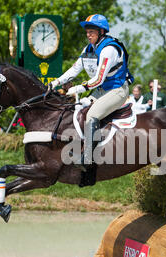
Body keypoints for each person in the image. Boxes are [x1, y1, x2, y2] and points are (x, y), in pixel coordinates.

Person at [49, 14, 133, 171]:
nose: (88, 35)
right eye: (87, 32)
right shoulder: (88, 49)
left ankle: (88, 158)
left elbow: (99, 79)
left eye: (91, 32)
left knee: (92, 115)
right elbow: (74, 70)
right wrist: (55, 82)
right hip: (101, 91)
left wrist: (77, 89)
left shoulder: (109, 49)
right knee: (78, 109)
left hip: (117, 90)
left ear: (101, 31)